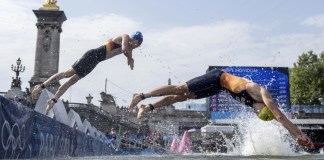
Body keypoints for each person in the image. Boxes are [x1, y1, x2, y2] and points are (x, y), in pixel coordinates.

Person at [129, 68, 314, 148]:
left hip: (218, 88)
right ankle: (141, 96)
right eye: (260, 112)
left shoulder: (254, 105)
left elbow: (279, 120)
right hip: (217, 78)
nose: (256, 112)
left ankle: (148, 106)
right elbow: (281, 117)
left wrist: (296, 137)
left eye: (258, 114)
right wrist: (299, 135)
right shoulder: (262, 94)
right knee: (181, 88)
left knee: (180, 98)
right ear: (263, 107)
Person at [32, 31, 143, 114]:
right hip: (92, 55)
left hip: (94, 63)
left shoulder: (131, 49)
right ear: (134, 39)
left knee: (71, 82)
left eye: (138, 46)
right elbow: (123, 47)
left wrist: (130, 59)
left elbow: (128, 52)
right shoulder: (125, 36)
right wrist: (129, 57)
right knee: (68, 73)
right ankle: (40, 86)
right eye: (137, 44)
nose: (136, 46)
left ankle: (52, 101)